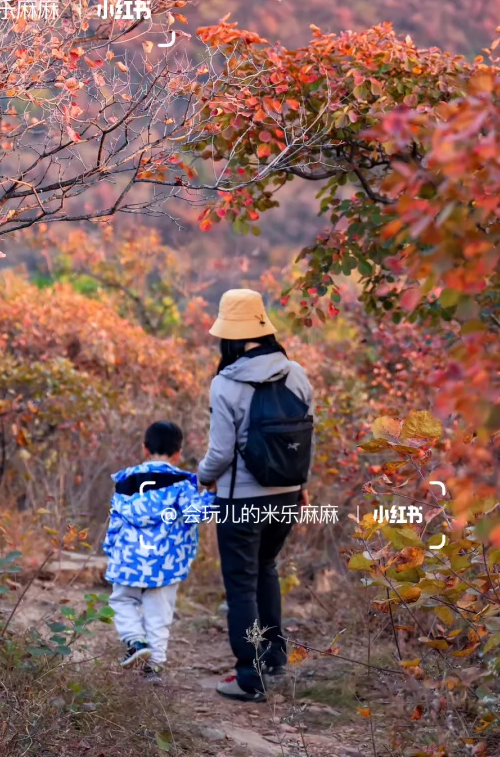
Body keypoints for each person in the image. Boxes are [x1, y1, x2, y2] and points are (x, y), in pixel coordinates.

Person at [197, 289, 315, 703]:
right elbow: (306, 438)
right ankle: (275, 658)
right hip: (285, 497)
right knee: (267, 568)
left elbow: (220, 452)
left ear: (229, 335)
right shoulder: (297, 373)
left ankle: (249, 675)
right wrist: (301, 487)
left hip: (241, 501)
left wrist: (201, 477)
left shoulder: (225, 384)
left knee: (241, 584)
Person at [103, 419, 213, 679]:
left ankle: (135, 642)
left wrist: (111, 550)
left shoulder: (124, 481)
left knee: (122, 600)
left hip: (128, 558)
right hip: (165, 562)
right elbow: (195, 513)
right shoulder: (181, 483)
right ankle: (155, 666)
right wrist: (211, 495)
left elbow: (115, 520)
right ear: (178, 454)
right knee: (159, 611)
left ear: (144, 449)